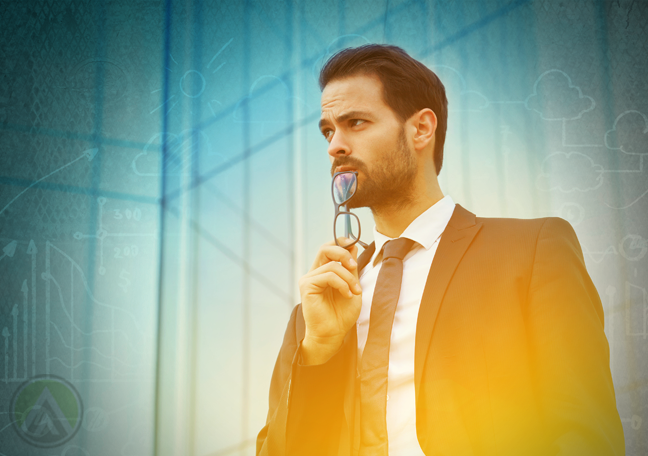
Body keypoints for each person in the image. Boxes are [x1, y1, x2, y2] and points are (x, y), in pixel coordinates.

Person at [256, 44, 624, 456]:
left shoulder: (533, 252)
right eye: (328, 131)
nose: (334, 146)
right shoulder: (317, 308)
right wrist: (318, 351)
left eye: (355, 123)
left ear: (421, 129)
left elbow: (585, 432)